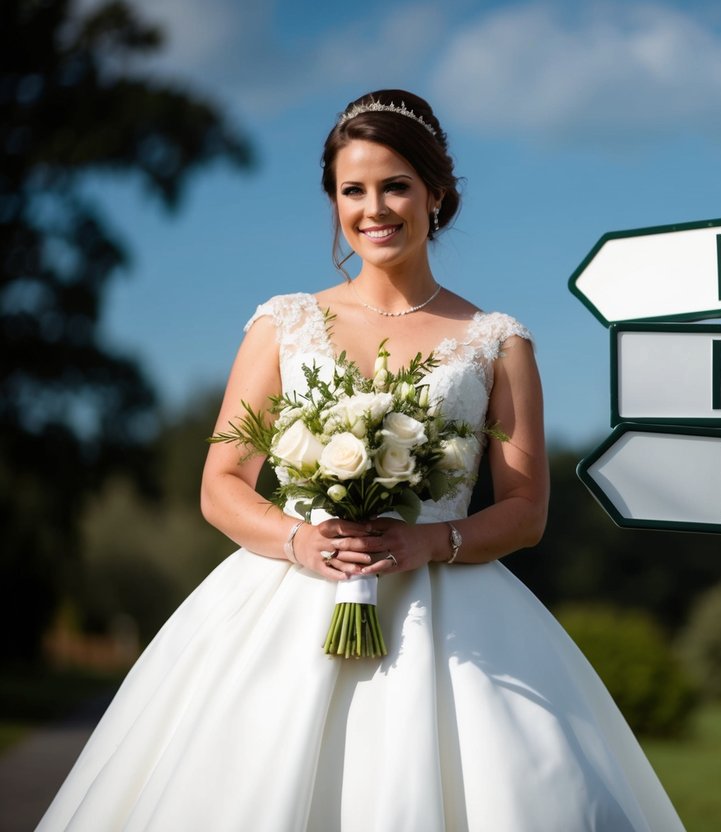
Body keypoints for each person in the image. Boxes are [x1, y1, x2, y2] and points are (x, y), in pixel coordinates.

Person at [37, 89, 686, 831]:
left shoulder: (498, 343)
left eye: (395, 186)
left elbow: (524, 511)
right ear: (334, 201)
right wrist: (297, 539)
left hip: (448, 612)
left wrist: (429, 541)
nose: (374, 208)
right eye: (353, 190)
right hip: (284, 602)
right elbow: (222, 484)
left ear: (436, 195)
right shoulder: (283, 324)